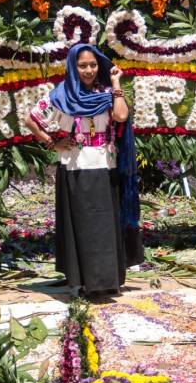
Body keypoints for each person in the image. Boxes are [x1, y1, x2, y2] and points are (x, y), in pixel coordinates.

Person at [26, 44, 138, 298]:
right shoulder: (61, 94)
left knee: (105, 226)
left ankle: (108, 281)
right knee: (82, 225)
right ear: (73, 67)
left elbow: (120, 116)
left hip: (104, 165)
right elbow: (31, 119)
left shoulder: (107, 92)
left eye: (93, 65)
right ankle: (83, 281)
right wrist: (51, 142)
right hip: (75, 165)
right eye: (82, 65)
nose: (88, 70)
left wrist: (116, 81)